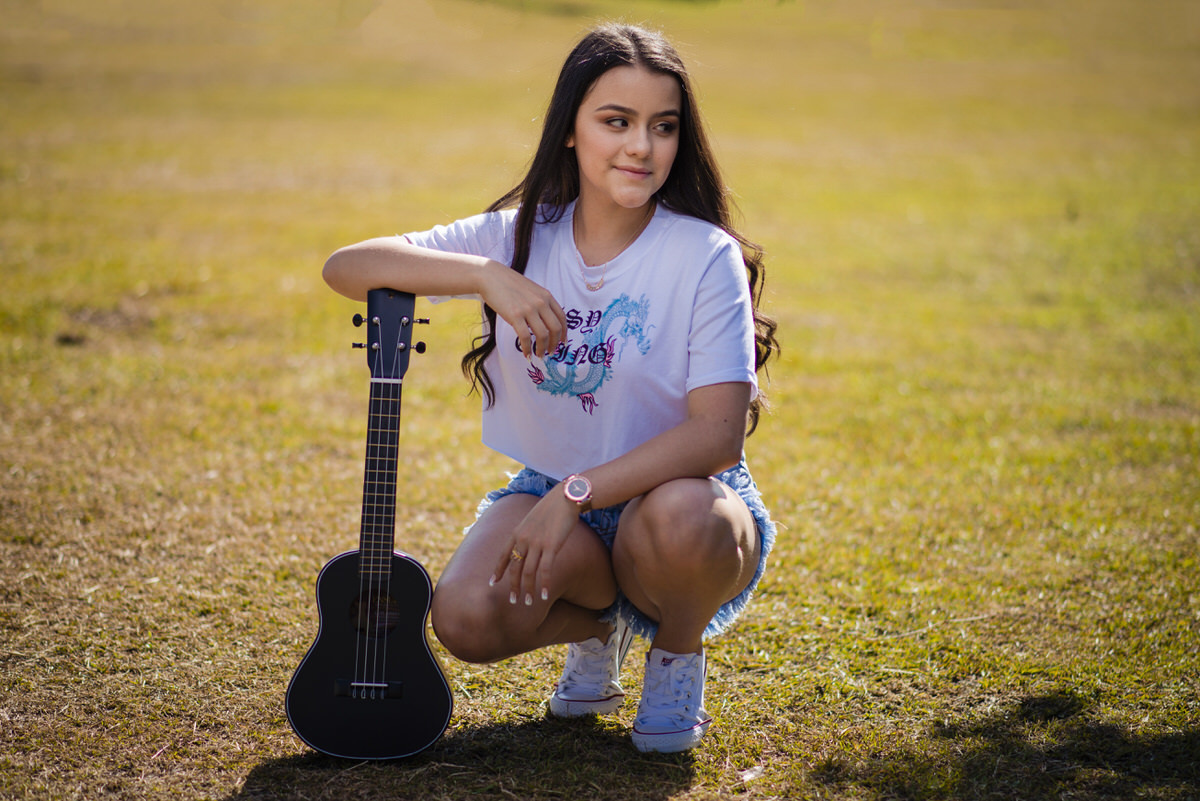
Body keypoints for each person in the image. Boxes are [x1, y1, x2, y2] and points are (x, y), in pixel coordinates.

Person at [322, 22, 779, 754]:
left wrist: (576, 494)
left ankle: (675, 652)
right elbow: (347, 265)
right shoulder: (520, 235)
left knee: (688, 517)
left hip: (676, 498)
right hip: (551, 489)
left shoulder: (703, 254)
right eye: (615, 121)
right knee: (463, 616)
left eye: (662, 127)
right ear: (570, 129)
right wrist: (484, 276)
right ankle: (602, 628)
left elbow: (716, 435)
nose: (641, 146)